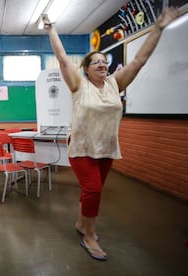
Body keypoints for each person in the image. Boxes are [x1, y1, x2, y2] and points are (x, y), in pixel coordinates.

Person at [43, 7, 181, 260]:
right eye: (96, 62)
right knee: (94, 190)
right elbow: (62, 58)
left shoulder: (115, 83)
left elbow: (139, 60)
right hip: (82, 147)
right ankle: (89, 236)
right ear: (86, 69)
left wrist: (158, 28)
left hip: (105, 147)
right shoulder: (78, 85)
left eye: (104, 62)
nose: (102, 65)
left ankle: (81, 223)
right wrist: (52, 30)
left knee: (92, 192)